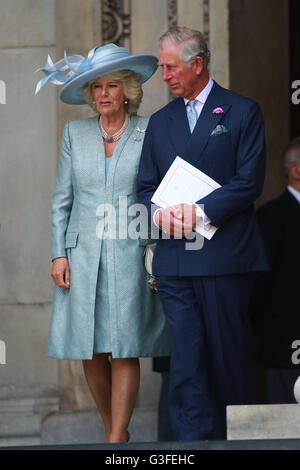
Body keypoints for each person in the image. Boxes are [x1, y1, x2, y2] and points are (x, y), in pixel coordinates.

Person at [137, 27, 269, 441]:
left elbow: (249, 182)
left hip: (226, 257)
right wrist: (159, 216)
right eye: (161, 66)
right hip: (176, 263)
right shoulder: (160, 122)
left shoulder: (241, 111)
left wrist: (196, 213)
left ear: (198, 64)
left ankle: (233, 441)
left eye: (171, 66)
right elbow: (144, 188)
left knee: (228, 360)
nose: (164, 75)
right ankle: (190, 444)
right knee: (186, 363)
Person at [35, 43, 170, 443]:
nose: (104, 94)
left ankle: (115, 439)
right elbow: (62, 199)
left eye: (112, 85)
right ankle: (115, 430)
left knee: (124, 345)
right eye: (97, 87)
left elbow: (160, 191)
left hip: (130, 250)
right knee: (89, 347)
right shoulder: (74, 133)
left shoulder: (151, 131)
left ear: (128, 89)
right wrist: (58, 253)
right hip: (81, 254)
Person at [249, 137, 300, 404]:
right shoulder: (272, 216)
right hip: (283, 339)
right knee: (283, 423)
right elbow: (260, 280)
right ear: (295, 170)